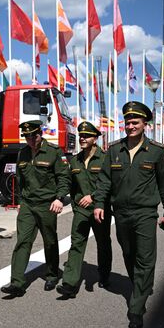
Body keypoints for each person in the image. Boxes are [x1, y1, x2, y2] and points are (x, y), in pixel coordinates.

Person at [93, 102, 164, 328]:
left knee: (145, 259)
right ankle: (141, 285)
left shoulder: (156, 151)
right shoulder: (113, 150)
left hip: (145, 213)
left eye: (135, 122)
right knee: (129, 254)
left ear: (144, 125)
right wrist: (99, 203)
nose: (130, 126)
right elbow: (104, 182)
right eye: (128, 122)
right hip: (120, 213)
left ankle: (136, 308)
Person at [1, 120, 71, 297]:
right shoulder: (22, 153)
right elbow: (20, 179)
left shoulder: (54, 152)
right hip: (28, 205)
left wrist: (59, 198)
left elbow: (63, 177)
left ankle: (52, 274)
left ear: (41, 133)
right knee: (23, 241)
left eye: (34, 135)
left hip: (47, 205)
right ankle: (17, 282)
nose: (31, 139)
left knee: (50, 241)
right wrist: (19, 201)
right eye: (27, 136)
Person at [56, 121, 112, 298]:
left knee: (103, 243)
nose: (82, 138)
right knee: (76, 244)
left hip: (100, 209)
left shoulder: (105, 158)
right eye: (81, 135)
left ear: (95, 139)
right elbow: (66, 181)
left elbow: (110, 183)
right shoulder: (75, 160)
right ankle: (70, 284)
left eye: (86, 136)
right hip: (81, 210)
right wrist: (59, 197)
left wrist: (94, 196)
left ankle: (104, 274)